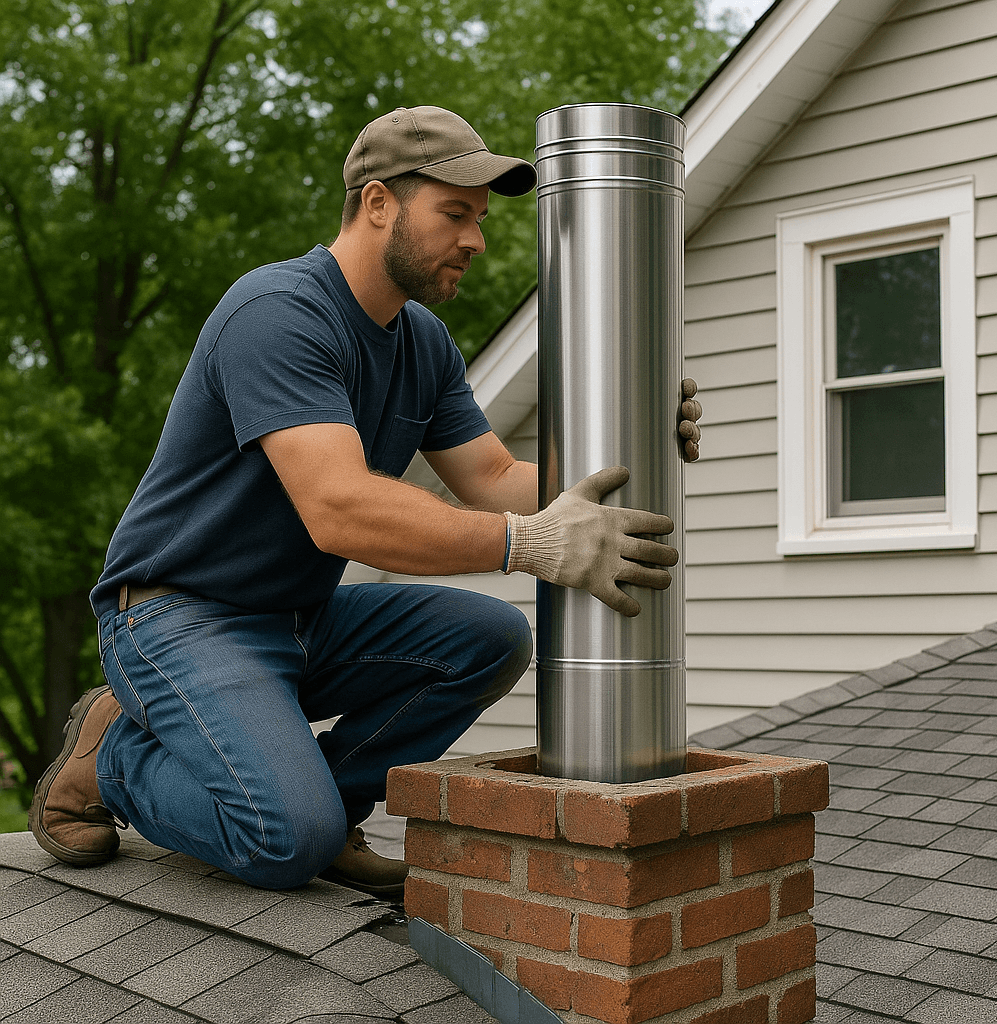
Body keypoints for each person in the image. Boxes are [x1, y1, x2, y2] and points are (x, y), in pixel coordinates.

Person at [29, 106, 703, 895]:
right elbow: (340, 508)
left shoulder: (421, 340)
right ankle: (112, 757)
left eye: (481, 220)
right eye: (456, 214)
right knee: (283, 841)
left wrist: (637, 441)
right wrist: (532, 544)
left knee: (489, 637)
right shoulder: (278, 312)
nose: (477, 241)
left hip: (298, 619)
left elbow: (489, 477)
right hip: (177, 617)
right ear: (378, 203)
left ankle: (327, 806)